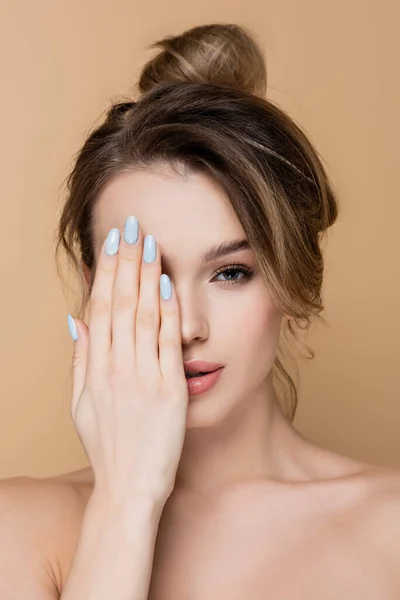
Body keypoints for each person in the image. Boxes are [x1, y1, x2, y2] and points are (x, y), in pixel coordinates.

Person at [0, 22, 399, 599]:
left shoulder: (388, 532)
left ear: (290, 277)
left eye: (231, 272)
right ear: (95, 290)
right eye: (147, 278)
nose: (187, 326)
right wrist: (127, 500)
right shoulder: (18, 530)